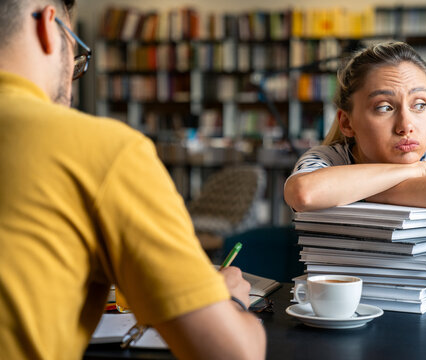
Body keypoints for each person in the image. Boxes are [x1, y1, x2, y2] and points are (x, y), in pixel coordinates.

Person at [0, 1, 265, 359]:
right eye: (76, 55)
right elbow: (235, 353)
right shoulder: (103, 151)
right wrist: (230, 299)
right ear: (49, 27)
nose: (72, 82)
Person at [284, 41, 426, 219]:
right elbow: (304, 193)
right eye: (384, 107)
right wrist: (425, 170)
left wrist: (349, 190)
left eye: (420, 105)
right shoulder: (328, 159)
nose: (406, 126)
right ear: (347, 123)